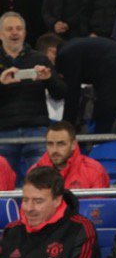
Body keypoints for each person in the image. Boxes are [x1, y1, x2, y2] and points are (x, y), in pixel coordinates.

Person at [0, 11, 66, 175]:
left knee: (42, 181)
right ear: (0, 34)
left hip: (36, 129)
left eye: (19, 29)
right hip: (3, 131)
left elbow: (60, 93)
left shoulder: (40, 59)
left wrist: (49, 79)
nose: (15, 33)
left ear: (25, 33)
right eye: (9, 29)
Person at [0, 166, 100, 258]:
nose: (29, 208)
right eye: (25, 200)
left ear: (57, 200)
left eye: (38, 201)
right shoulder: (12, 230)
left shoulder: (80, 229)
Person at [55, 37, 116, 133]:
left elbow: (72, 93)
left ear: (51, 51)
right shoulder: (75, 46)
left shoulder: (65, 54)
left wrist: (65, 128)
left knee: (106, 121)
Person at [30, 121, 109, 189]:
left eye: (61, 144)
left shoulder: (94, 171)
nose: (55, 150)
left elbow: (98, 202)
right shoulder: (34, 173)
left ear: (73, 144)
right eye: (50, 144)